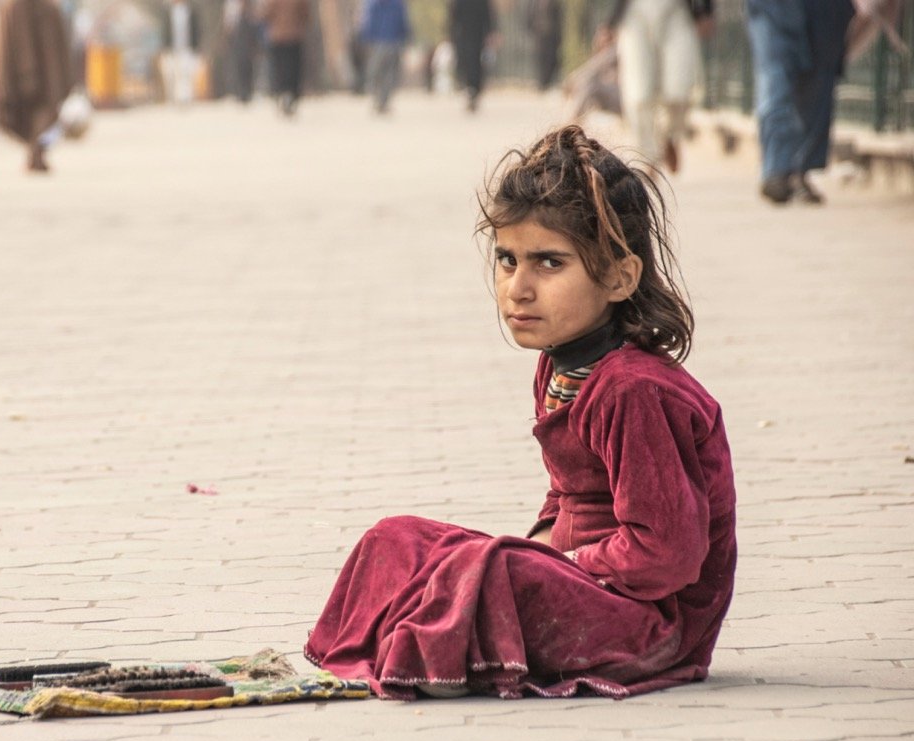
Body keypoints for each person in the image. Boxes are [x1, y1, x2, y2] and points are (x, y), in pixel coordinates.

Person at [305, 125, 737, 701]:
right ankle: (428, 642)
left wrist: (551, 562)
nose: (518, 288)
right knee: (397, 540)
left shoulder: (636, 391)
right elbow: (565, 496)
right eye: (508, 260)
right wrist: (527, 549)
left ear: (619, 276)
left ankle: (436, 651)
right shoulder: (563, 366)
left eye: (549, 264)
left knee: (490, 573)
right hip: (585, 579)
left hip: (650, 620)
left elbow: (668, 554)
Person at [746, 0, 855, 205]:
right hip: (772, 7)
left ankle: (801, 169)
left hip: (825, 8)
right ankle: (777, 168)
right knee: (775, 78)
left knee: (819, 82)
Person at [609, 0, 713, 173]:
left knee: (681, 88)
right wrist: (610, 22)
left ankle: (669, 135)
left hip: (677, 9)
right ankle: (647, 158)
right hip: (635, 11)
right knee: (639, 92)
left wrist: (706, 10)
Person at [0, 0, 75, 172]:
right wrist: (27, 73)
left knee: (45, 113)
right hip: (34, 77)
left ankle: (36, 151)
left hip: (44, 77)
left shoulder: (42, 9)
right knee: (41, 113)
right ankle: (35, 151)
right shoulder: (17, 8)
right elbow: (21, 44)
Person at [360, 0, 411, 114]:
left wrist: (404, 37)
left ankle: (383, 101)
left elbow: (403, 22)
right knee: (376, 73)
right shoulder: (374, 4)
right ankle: (378, 99)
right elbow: (367, 23)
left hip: (391, 42)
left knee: (388, 74)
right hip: (378, 43)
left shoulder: (396, 4)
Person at [261, 0, 311, 116]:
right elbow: (306, 14)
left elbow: (266, 14)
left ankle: (281, 93)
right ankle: (290, 95)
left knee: (279, 69)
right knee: (294, 69)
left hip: (277, 37)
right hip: (294, 37)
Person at [448, 0, 497, 113]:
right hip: (466, 36)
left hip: (475, 36)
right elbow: (454, 17)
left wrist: (491, 32)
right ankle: (471, 89)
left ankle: (473, 89)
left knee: (474, 64)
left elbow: (487, 16)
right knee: (468, 64)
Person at [526, 0, 563, 91]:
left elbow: (558, 17)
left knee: (551, 58)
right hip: (539, 34)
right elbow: (529, 16)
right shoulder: (533, 3)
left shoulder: (554, 3)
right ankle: (542, 82)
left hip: (551, 35)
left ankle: (548, 82)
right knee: (540, 58)